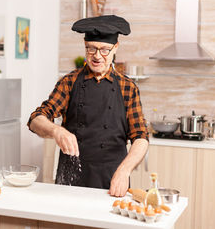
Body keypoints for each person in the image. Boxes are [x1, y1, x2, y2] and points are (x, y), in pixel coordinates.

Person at [28, 15, 149, 197]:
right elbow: (35, 119)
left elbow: (140, 137)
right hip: (71, 179)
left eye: (104, 50)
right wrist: (56, 131)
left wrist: (124, 171)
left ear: (115, 48)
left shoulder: (128, 88)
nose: (97, 56)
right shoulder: (70, 82)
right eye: (91, 49)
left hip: (112, 178)